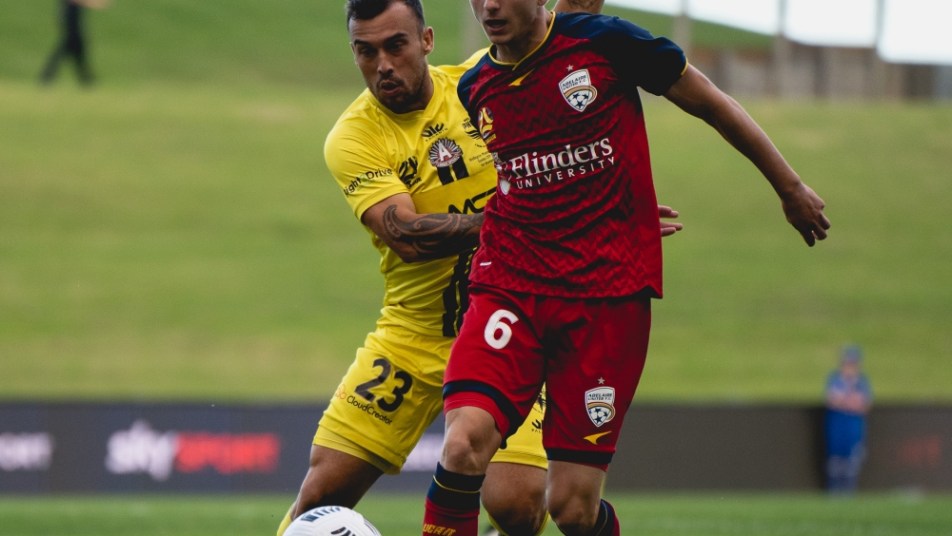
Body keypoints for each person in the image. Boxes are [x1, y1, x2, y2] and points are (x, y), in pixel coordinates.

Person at [422, 1, 831, 535]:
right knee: (461, 443)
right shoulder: (476, 87)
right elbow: (526, 179)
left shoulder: (605, 42)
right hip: (510, 286)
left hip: (606, 299)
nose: (491, 6)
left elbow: (710, 103)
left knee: (571, 509)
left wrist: (790, 186)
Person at [277, 1, 682, 535]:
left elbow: (557, 28)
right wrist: (537, 217)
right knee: (319, 496)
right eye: (365, 51)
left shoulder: (481, 86)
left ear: (425, 40)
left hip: (515, 323)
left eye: (395, 45)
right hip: (414, 335)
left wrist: (600, 209)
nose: (383, 65)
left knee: (516, 504)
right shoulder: (353, 137)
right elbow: (407, 236)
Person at [824, 344, 872, 494]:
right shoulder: (835, 379)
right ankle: (834, 492)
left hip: (854, 424)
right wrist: (850, 402)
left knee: (853, 460)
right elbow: (832, 400)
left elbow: (864, 405)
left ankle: (849, 493)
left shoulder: (861, 381)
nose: (849, 366)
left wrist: (846, 402)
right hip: (838, 423)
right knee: (836, 460)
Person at [39, 0, 109, 86]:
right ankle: (85, 79)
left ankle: (86, 79)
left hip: (73, 17)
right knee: (70, 46)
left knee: (75, 48)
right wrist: (95, 4)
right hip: (70, 17)